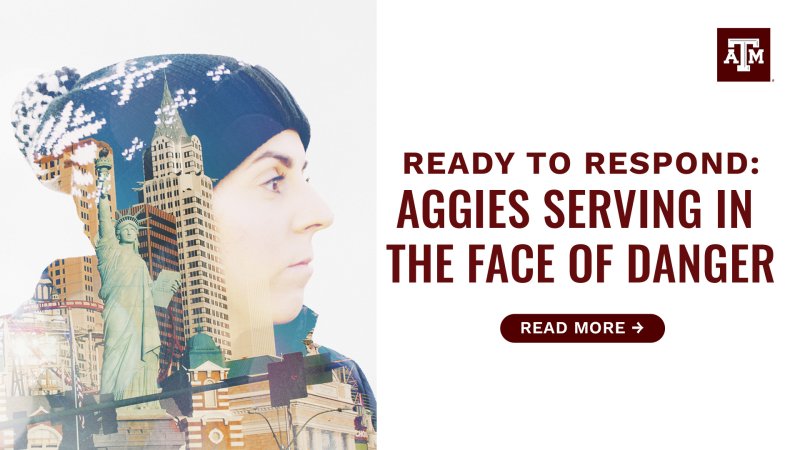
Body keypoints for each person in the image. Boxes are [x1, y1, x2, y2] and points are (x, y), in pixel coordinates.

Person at [12, 54, 376, 428]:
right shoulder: (50, 402)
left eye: (304, 178)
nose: (320, 213)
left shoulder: (338, 381)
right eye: (273, 180)